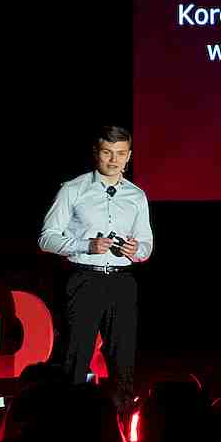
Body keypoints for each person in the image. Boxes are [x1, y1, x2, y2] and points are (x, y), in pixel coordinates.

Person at [38, 126, 153, 420]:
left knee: (122, 359)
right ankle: (70, 423)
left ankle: (121, 427)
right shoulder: (73, 189)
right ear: (96, 153)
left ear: (128, 156)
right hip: (84, 278)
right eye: (107, 153)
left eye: (120, 154)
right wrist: (85, 245)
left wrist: (135, 250)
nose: (113, 160)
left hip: (122, 281)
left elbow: (146, 246)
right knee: (76, 356)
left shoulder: (136, 196)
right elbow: (46, 238)